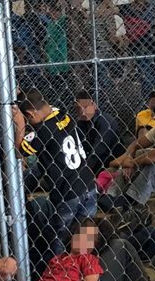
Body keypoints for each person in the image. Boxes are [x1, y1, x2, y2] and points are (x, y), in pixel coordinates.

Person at [16, 89, 97, 249]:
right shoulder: (62, 113)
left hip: (68, 192)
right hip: (89, 184)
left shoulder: (44, 131)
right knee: (85, 239)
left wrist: (20, 124)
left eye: (28, 118)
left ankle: (61, 271)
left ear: (31, 114)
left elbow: (19, 152)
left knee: (60, 238)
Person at [73, 90, 120, 174]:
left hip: (112, 162)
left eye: (86, 107)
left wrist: (85, 171)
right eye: (79, 109)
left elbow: (99, 150)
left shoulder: (105, 121)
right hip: (94, 163)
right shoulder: (80, 123)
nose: (83, 112)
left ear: (93, 105)